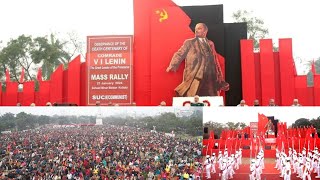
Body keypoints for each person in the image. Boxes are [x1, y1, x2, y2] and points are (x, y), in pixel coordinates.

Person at [166, 23, 229, 97]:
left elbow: (215, 61)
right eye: (196, 29)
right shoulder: (189, 42)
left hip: (210, 79)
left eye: (199, 28)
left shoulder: (210, 43)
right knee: (191, 98)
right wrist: (173, 65)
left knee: (212, 100)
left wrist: (220, 77)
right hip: (195, 76)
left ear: (205, 31)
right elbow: (179, 54)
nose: (196, 30)